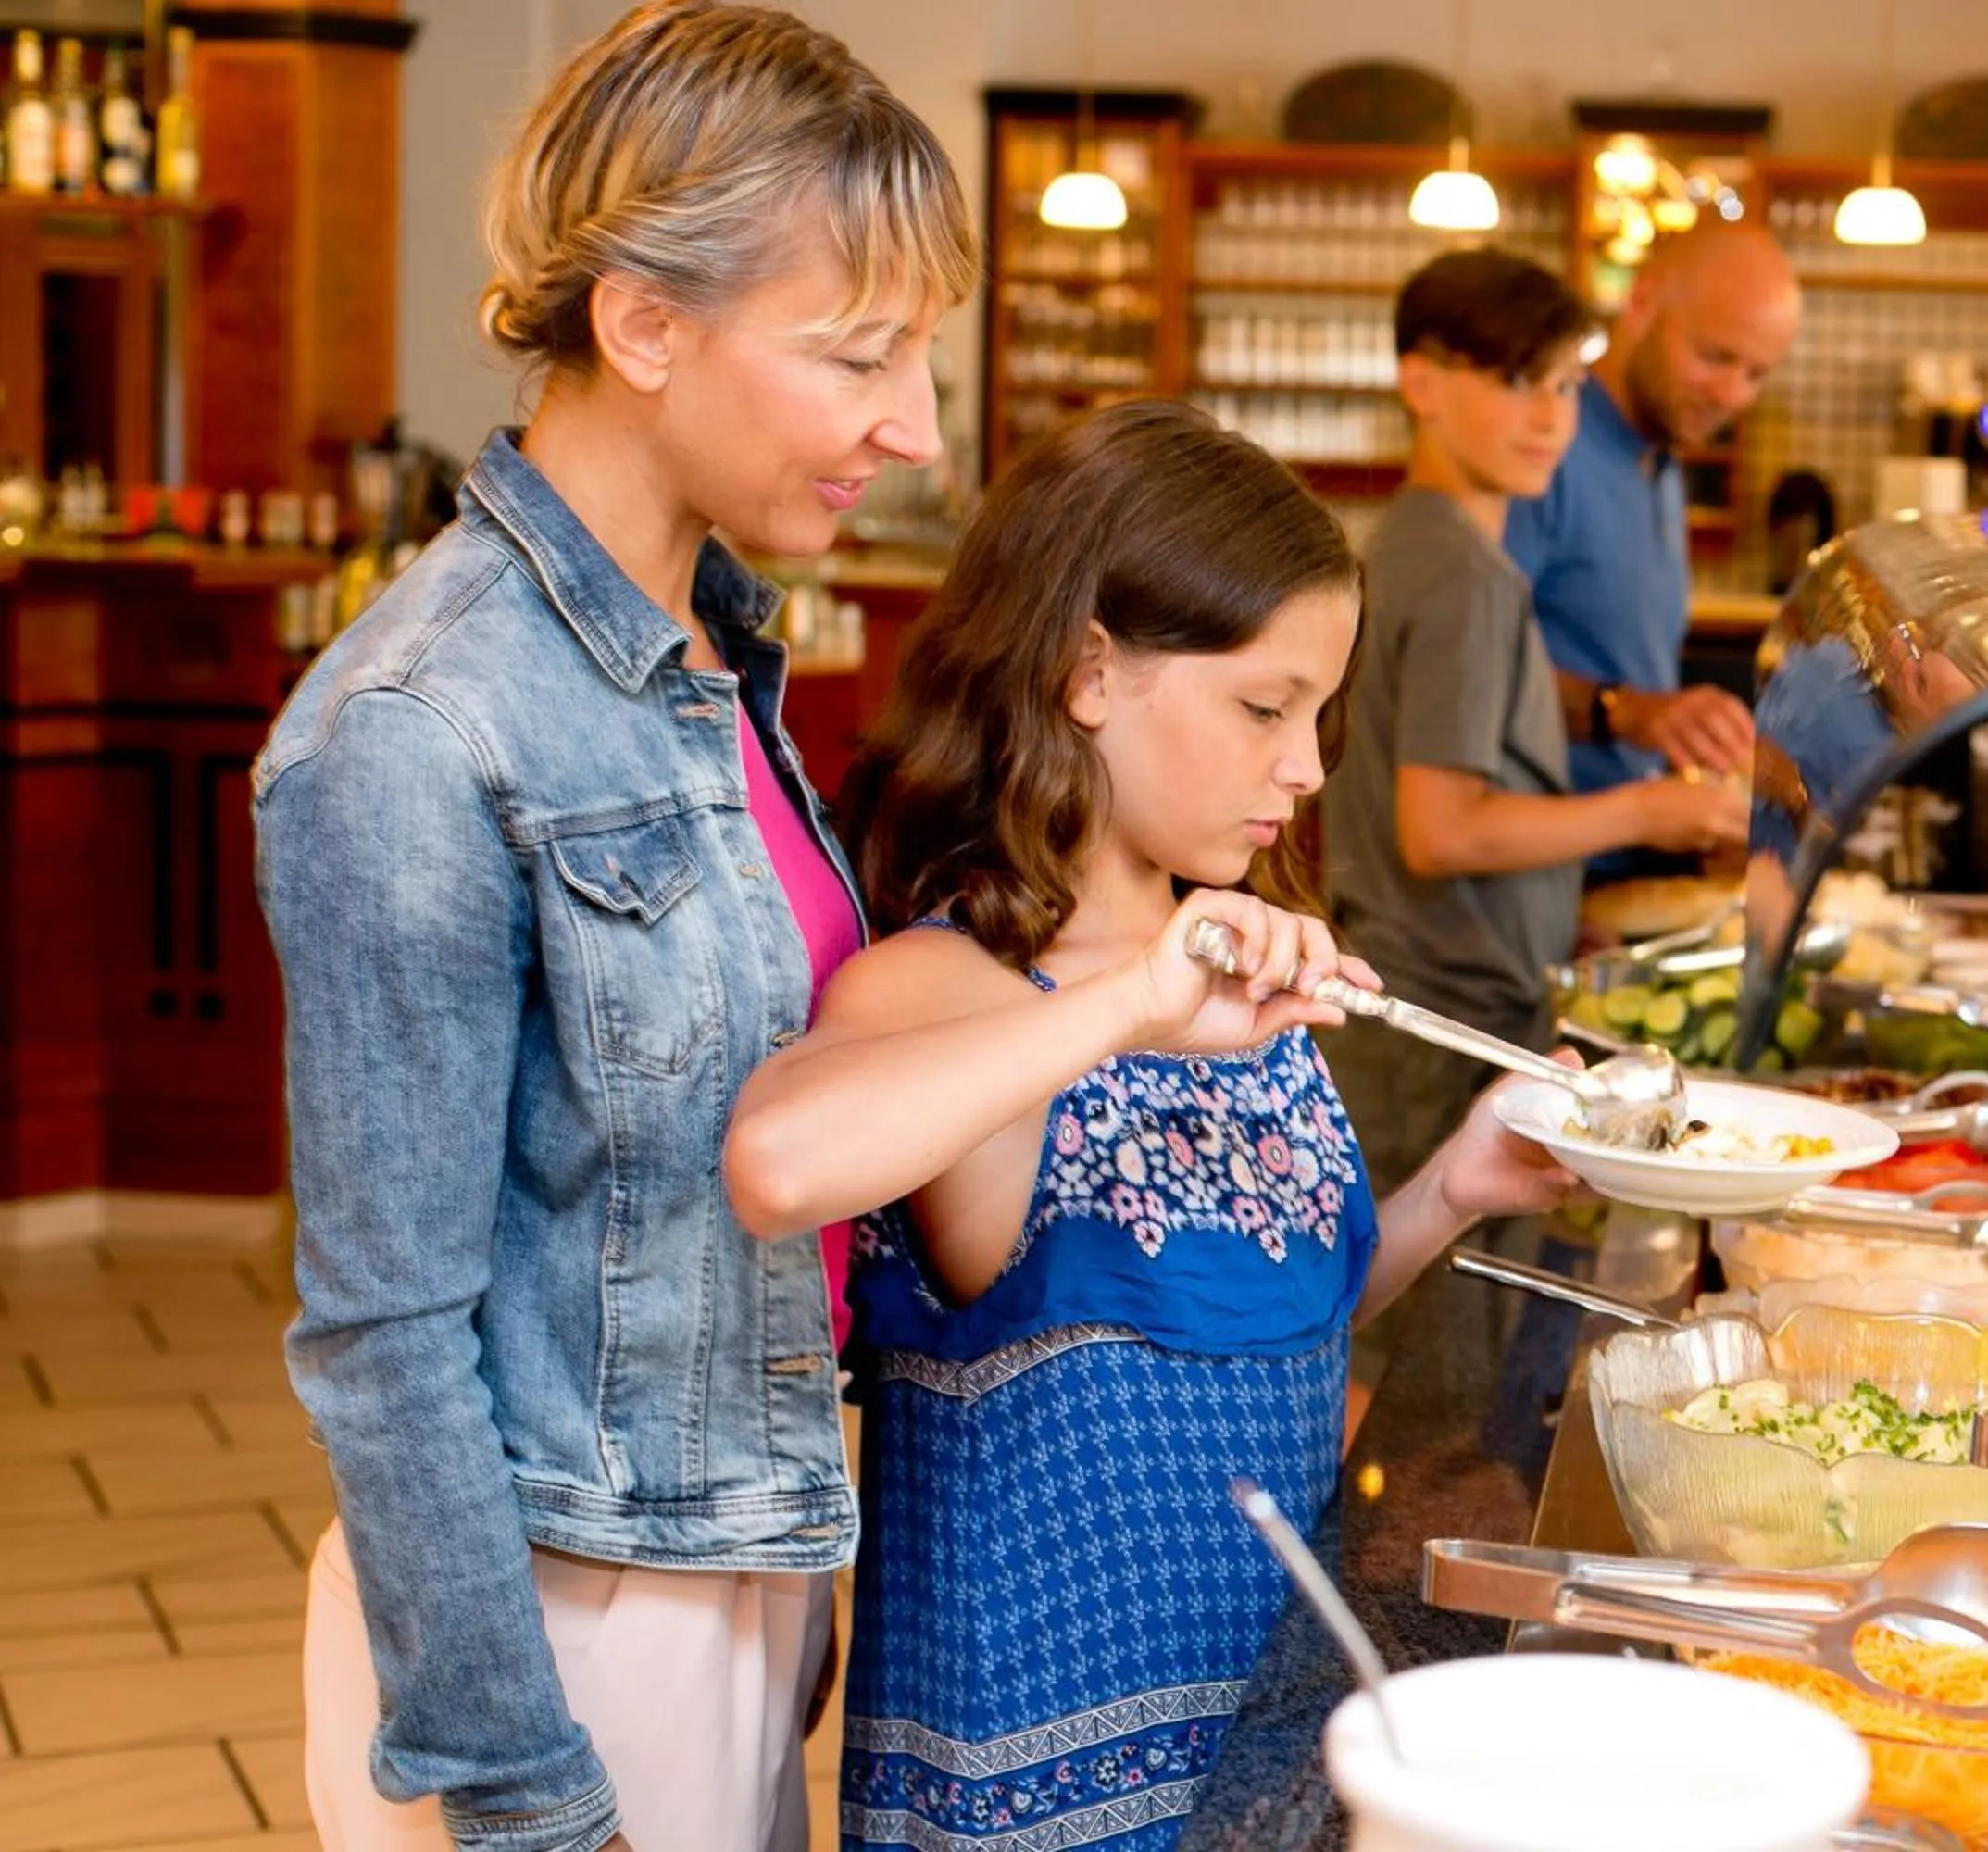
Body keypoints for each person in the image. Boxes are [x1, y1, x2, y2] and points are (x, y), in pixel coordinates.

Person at [250, 6, 977, 1847]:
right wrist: (526, 1797)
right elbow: (384, 1343)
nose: (914, 426)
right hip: (557, 1618)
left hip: (730, 1556)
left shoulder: (713, 648)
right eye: (860, 356)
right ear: (644, 326)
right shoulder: (415, 724)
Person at [717, 399, 1575, 1849]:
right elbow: (778, 1160)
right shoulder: (952, 983)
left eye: (1319, 716)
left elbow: (1268, 1329)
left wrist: (1452, 1189)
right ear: (1088, 671)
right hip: (1038, 1799)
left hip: (1265, 1749)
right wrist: (1129, 1002)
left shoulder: (1231, 968)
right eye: (1264, 708)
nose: (1308, 768)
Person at [1323, 247, 1747, 1196]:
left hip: (1423, 1008)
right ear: (1421, 383)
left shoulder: (1426, 541)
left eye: (1565, 385)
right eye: (1518, 382)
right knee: (1425, 1289)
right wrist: (1647, 811)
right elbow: (1441, 831)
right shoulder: (1462, 574)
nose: (1553, 417)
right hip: (1437, 1032)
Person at [1505, 219, 1803, 841]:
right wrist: (1626, 712)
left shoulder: (1661, 456)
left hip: (1630, 855)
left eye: (1756, 374)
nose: (1730, 395)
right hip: (1540, 863)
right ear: (1641, 302)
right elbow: (1464, 676)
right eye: (1714, 357)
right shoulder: (1543, 450)